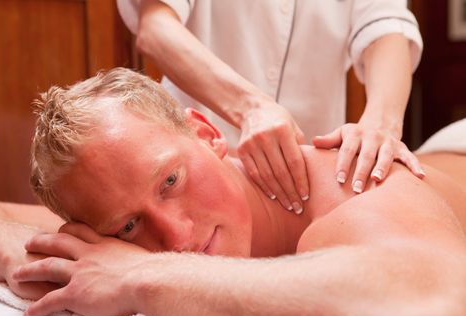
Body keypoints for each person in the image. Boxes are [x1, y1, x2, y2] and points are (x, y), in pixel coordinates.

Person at [0, 68, 465, 316]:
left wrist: (140, 274)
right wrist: (52, 263)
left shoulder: (351, 191)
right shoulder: (112, 231)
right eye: (127, 226)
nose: (174, 233)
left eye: (170, 181)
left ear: (209, 135)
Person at [117, 0, 426, 214]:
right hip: (190, 170)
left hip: (309, 185)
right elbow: (156, 27)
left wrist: (381, 126)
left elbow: (386, 28)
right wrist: (251, 108)